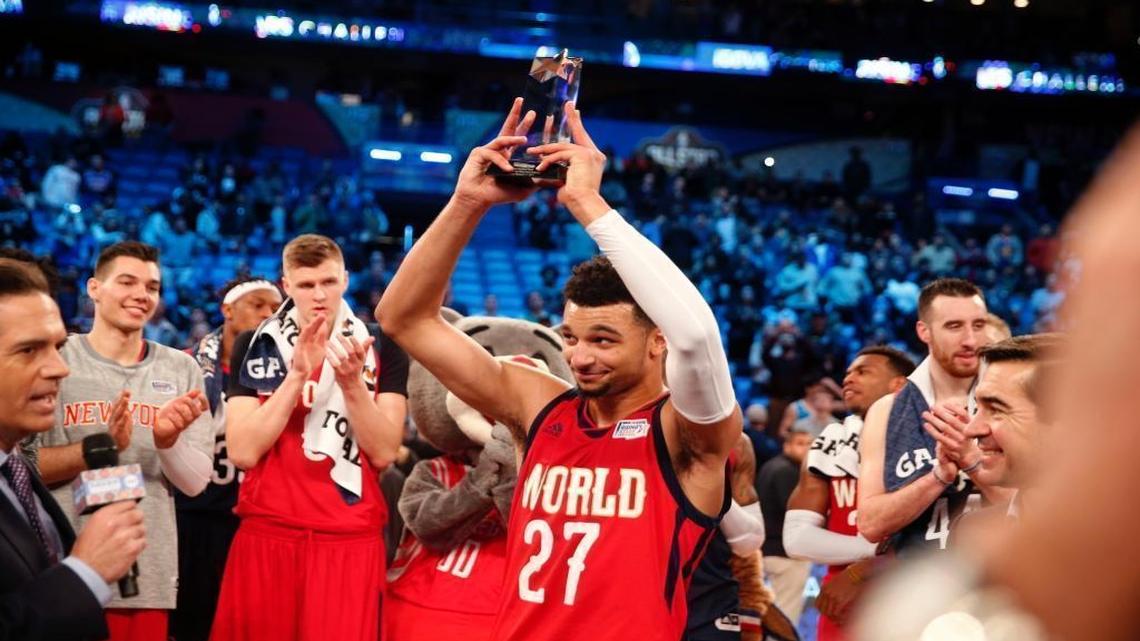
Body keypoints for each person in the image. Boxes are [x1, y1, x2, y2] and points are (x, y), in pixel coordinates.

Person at [377, 99, 740, 641]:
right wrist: (467, 202)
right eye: (571, 337)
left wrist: (588, 203)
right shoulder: (540, 403)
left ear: (656, 342)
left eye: (604, 340)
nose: (579, 357)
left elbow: (697, 335)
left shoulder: (686, 432)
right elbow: (402, 319)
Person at [211, 234, 409, 641]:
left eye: (328, 282)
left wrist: (352, 383)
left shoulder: (382, 346)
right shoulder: (256, 342)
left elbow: (385, 450)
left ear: (346, 280)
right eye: (305, 285)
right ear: (287, 286)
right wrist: (297, 375)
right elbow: (244, 452)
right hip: (269, 532)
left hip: (349, 538)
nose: (318, 295)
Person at [34, 241, 214, 641]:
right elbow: (21, 469)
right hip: (63, 571)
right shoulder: (57, 358)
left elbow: (195, 483)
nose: (141, 295)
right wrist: (99, 447)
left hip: (146, 578)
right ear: (94, 288)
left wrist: (169, 443)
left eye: (152, 286)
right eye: (127, 282)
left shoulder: (181, 367)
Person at [0, 258, 146, 641]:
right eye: (29, 350)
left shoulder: (14, 466)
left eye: (58, 346)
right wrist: (84, 573)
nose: (59, 368)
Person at [856, 278, 1003, 556]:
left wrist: (970, 461)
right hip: (921, 586)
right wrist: (938, 476)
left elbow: (1043, 510)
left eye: (978, 325)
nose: (971, 340)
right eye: (954, 326)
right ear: (924, 331)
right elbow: (870, 524)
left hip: (999, 582)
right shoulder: (887, 410)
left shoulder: (1015, 400)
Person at [170, 277, 282, 641]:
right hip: (193, 513)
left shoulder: (286, 373)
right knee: (191, 617)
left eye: (275, 309)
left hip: (253, 516)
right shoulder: (187, 366)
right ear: (227, 310)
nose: (268, 315)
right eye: (258, 305)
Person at [783, 346, 915, 640]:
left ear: (900, 384)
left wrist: (869, 566)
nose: (848, 379)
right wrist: (873, 554)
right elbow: (797, 539)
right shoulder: (828, 441)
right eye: (848, 373)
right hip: (842, 599)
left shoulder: (930, 438)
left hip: (907, 594)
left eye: (863, 371)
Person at [686, 433, 766, 641]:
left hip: (713, 589)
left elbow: (751, 542)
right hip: (648, 586)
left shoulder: (738, 442)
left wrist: (711, 487)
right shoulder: (636, 431)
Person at [754, 426, 814, 625]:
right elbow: (794, 514)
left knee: (773, 615)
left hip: (768, 550)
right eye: (800, 444)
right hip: (786, 555)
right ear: (787, 446)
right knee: (786, 618)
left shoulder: (772, 465)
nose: (806, 449)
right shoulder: (787, 471)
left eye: (809, 444)